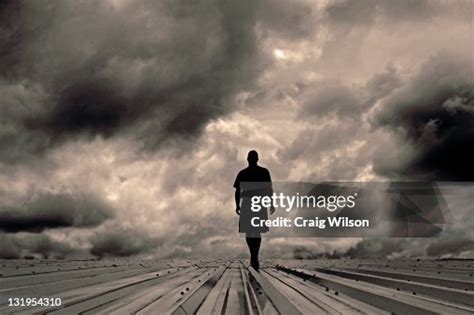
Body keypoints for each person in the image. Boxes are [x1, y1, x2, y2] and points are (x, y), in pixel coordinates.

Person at [233, 150, 274, 271]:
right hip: (258, 203)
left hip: (249, 203)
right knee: (256, 231)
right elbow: (269, 189)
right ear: (257, 159)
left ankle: (254, 256)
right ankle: (254, 256)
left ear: (248, 159)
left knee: (250, 232)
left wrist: (237, 205)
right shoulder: (263, 172)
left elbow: (237, 191)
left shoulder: (243, 173)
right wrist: (271, 203)